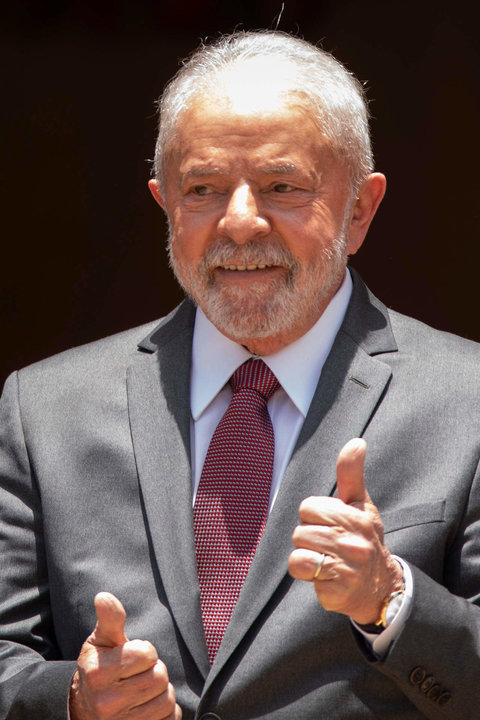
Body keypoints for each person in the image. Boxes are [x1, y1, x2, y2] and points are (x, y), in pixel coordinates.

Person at [0, 29, 479, 720]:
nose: (241, 221)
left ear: (361, 210)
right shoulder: (45, 410)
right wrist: (74, 701)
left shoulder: (467, 402)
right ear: (164, 203)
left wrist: (392, 601)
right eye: (204, 188)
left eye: (283, 186)